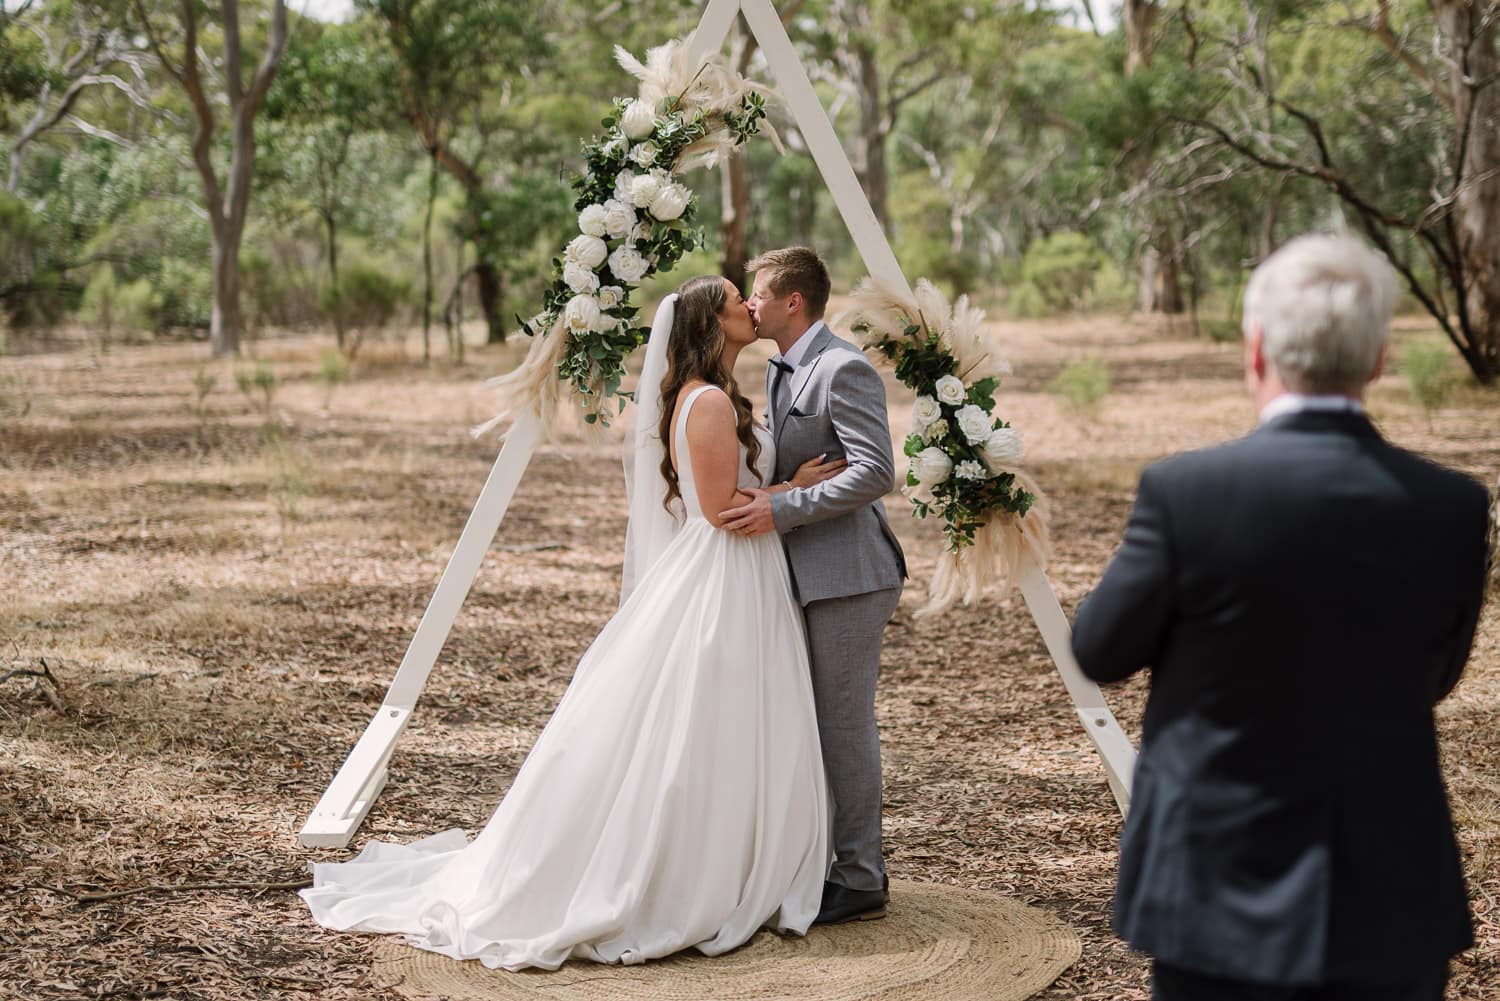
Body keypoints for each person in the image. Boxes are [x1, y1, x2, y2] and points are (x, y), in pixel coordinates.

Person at [302, 275, 848, 971]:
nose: (748, 306)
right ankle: (688, 871)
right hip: (725, 576)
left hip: (742, 576)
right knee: (711, 716)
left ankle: (742, 856)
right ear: (711, 323)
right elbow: (719, 511)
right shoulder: (707, 402)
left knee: (730, 719)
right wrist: (792, 490)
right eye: (735, 299)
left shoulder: (711, 394)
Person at [1071, 233, 1490, 1001]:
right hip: (1388, 890)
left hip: (1214, 888)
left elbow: (1099, 648)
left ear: (1256, 349)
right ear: (1380, 359)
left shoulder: (1186, 493)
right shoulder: (1454, 508)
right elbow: (1436, 674)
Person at [721, 247, 907, 925]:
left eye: (759, 292)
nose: (749, 304)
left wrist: (781, 507)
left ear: (792, 300)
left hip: (850, 577)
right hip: (802, 575)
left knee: (842, 725)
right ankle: (818, 858)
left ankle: (860, 876)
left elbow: (874, 471)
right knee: (812, 723)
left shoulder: (842, 366)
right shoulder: (782, 368)